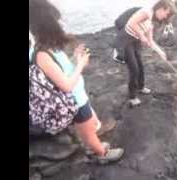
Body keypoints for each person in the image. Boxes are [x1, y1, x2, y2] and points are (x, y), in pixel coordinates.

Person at [29, 0, 123, 164]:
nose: (60, 24)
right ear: (48, 25)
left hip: (79, 95)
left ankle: (92, 144)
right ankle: (101, 154)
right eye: (56, 21)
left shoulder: (48, 46)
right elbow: (65, 85)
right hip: (74, 101)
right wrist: (81, 64)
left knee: (91, 126)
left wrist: (75, 58)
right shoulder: (41, 54)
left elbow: (61, 70)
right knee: (89, 132)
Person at [113, 0, 177, 106]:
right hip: (126, 40)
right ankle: (132, 97)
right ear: (161, 9)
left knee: (140, 66)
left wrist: (161, 52)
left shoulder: (150, 22)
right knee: (134, 69)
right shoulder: (147, 12)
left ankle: (141, 87)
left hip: (135, 41)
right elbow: (131, 23)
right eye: (166, 14)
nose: (165, 17)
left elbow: (151, 41)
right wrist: (142, 36)